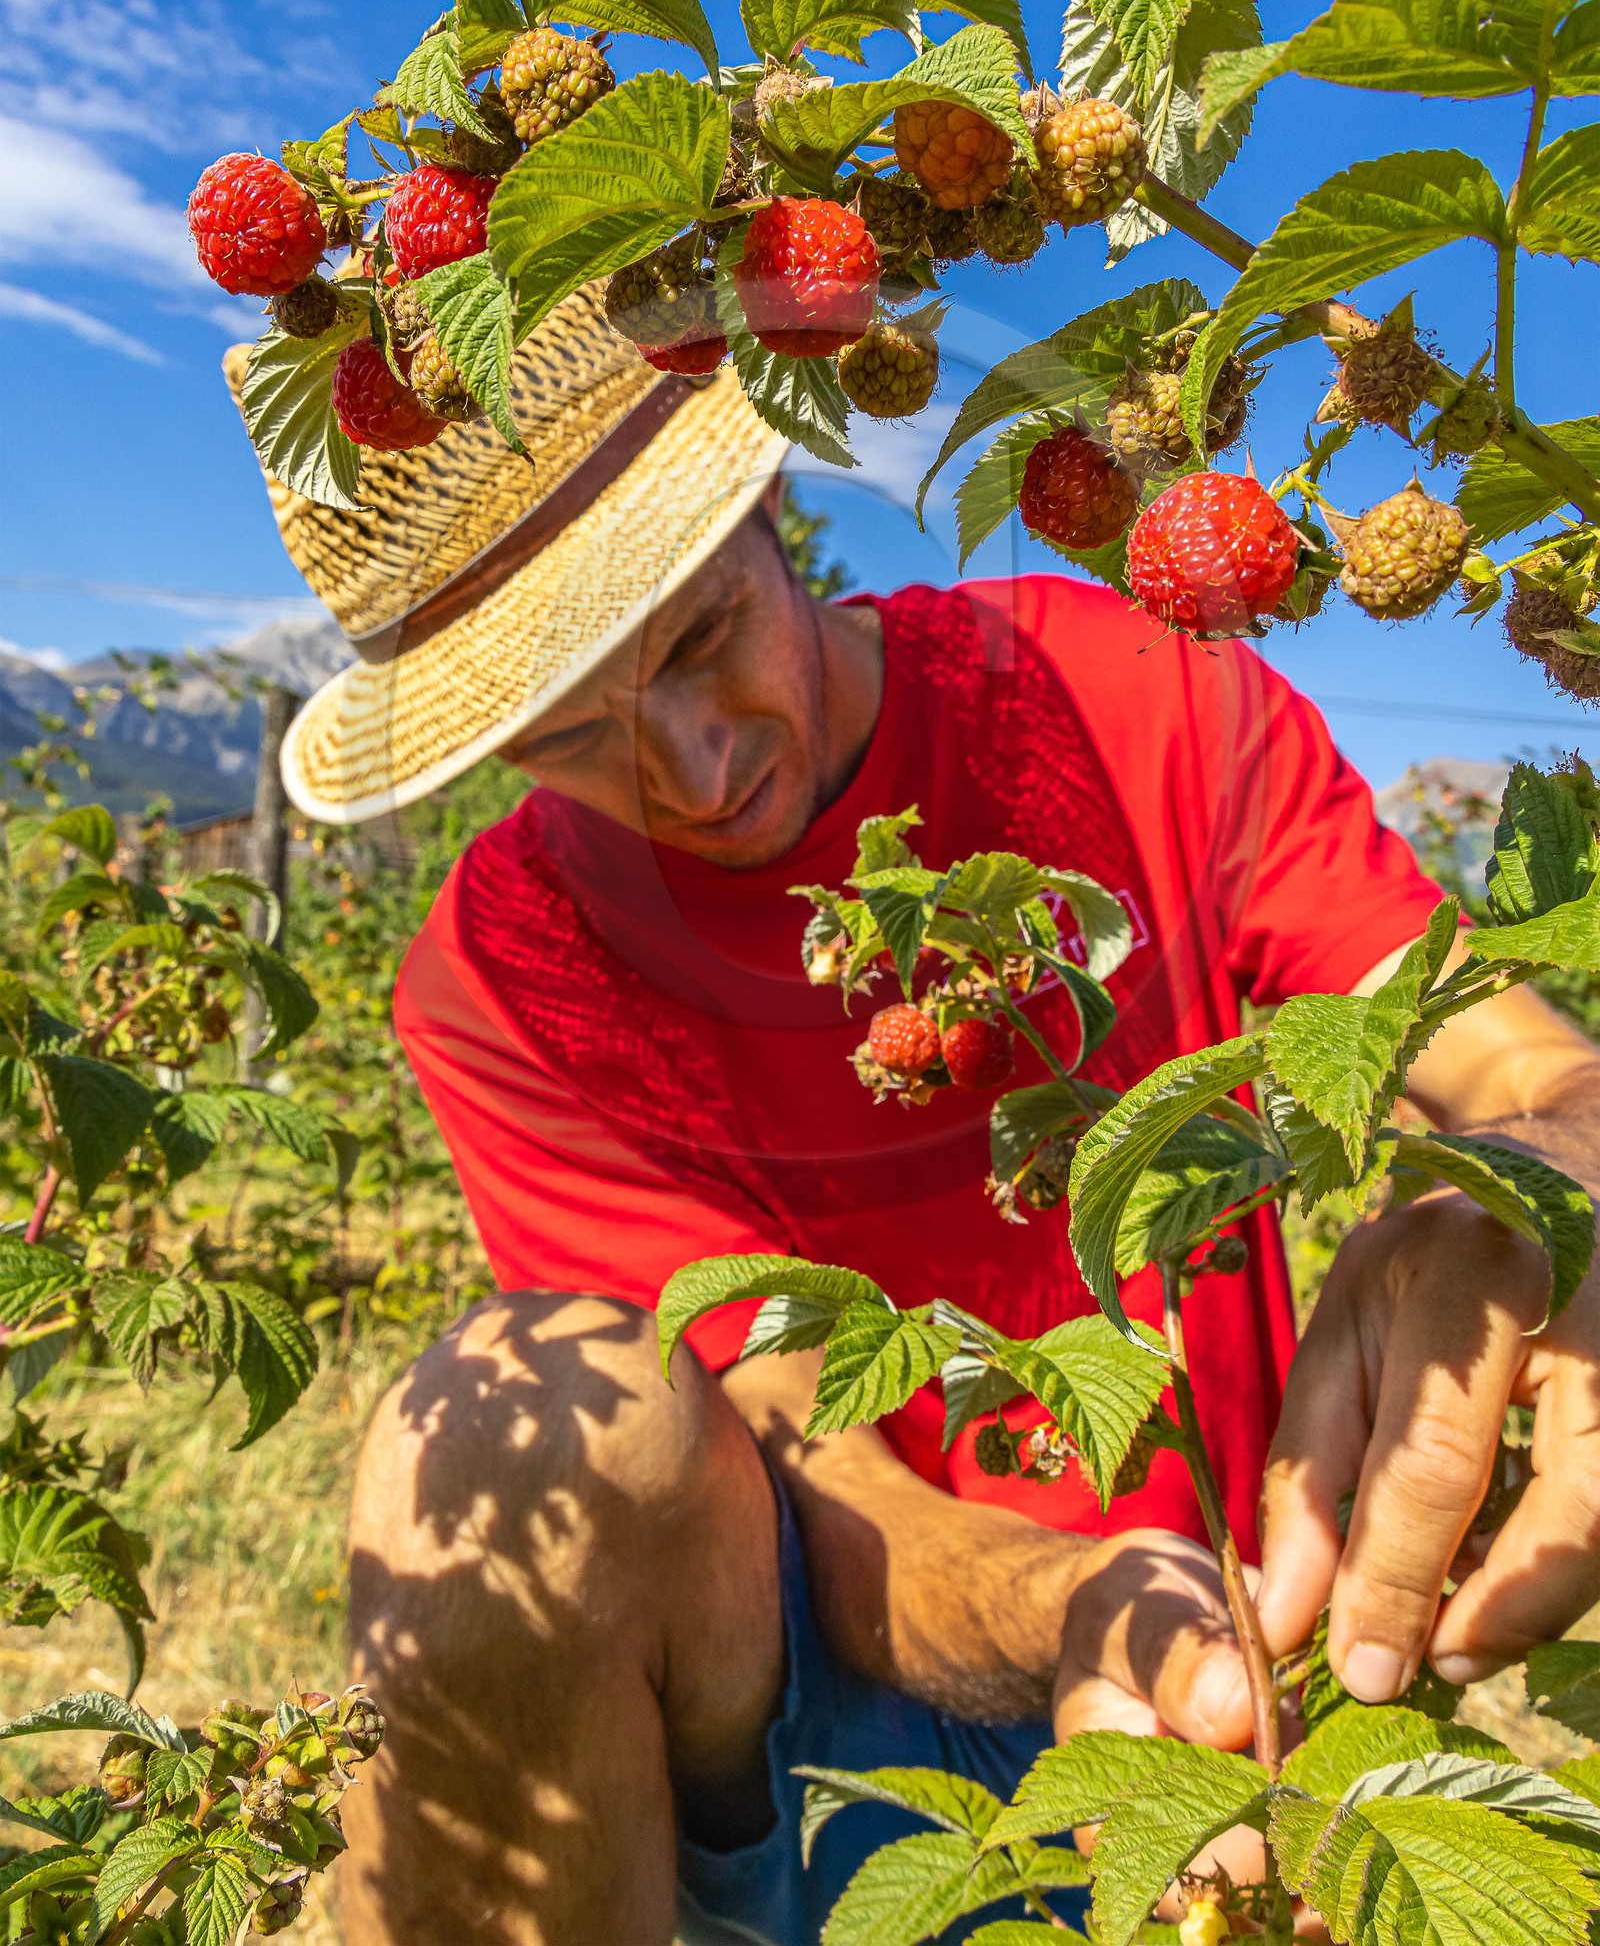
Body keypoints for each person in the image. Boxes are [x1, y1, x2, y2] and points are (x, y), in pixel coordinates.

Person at [230, 302, 1600, 1945]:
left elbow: (1523, 1068)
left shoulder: (1133, 692)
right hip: (824, 1688)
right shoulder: (504, 972)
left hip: (1247, 1616)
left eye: (698, 636)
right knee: (488, 1423)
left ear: (766, 512)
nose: (687, 768)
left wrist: (1536, 1190)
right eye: (567, 738)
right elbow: (816, 1451)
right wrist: (1080, 1598)